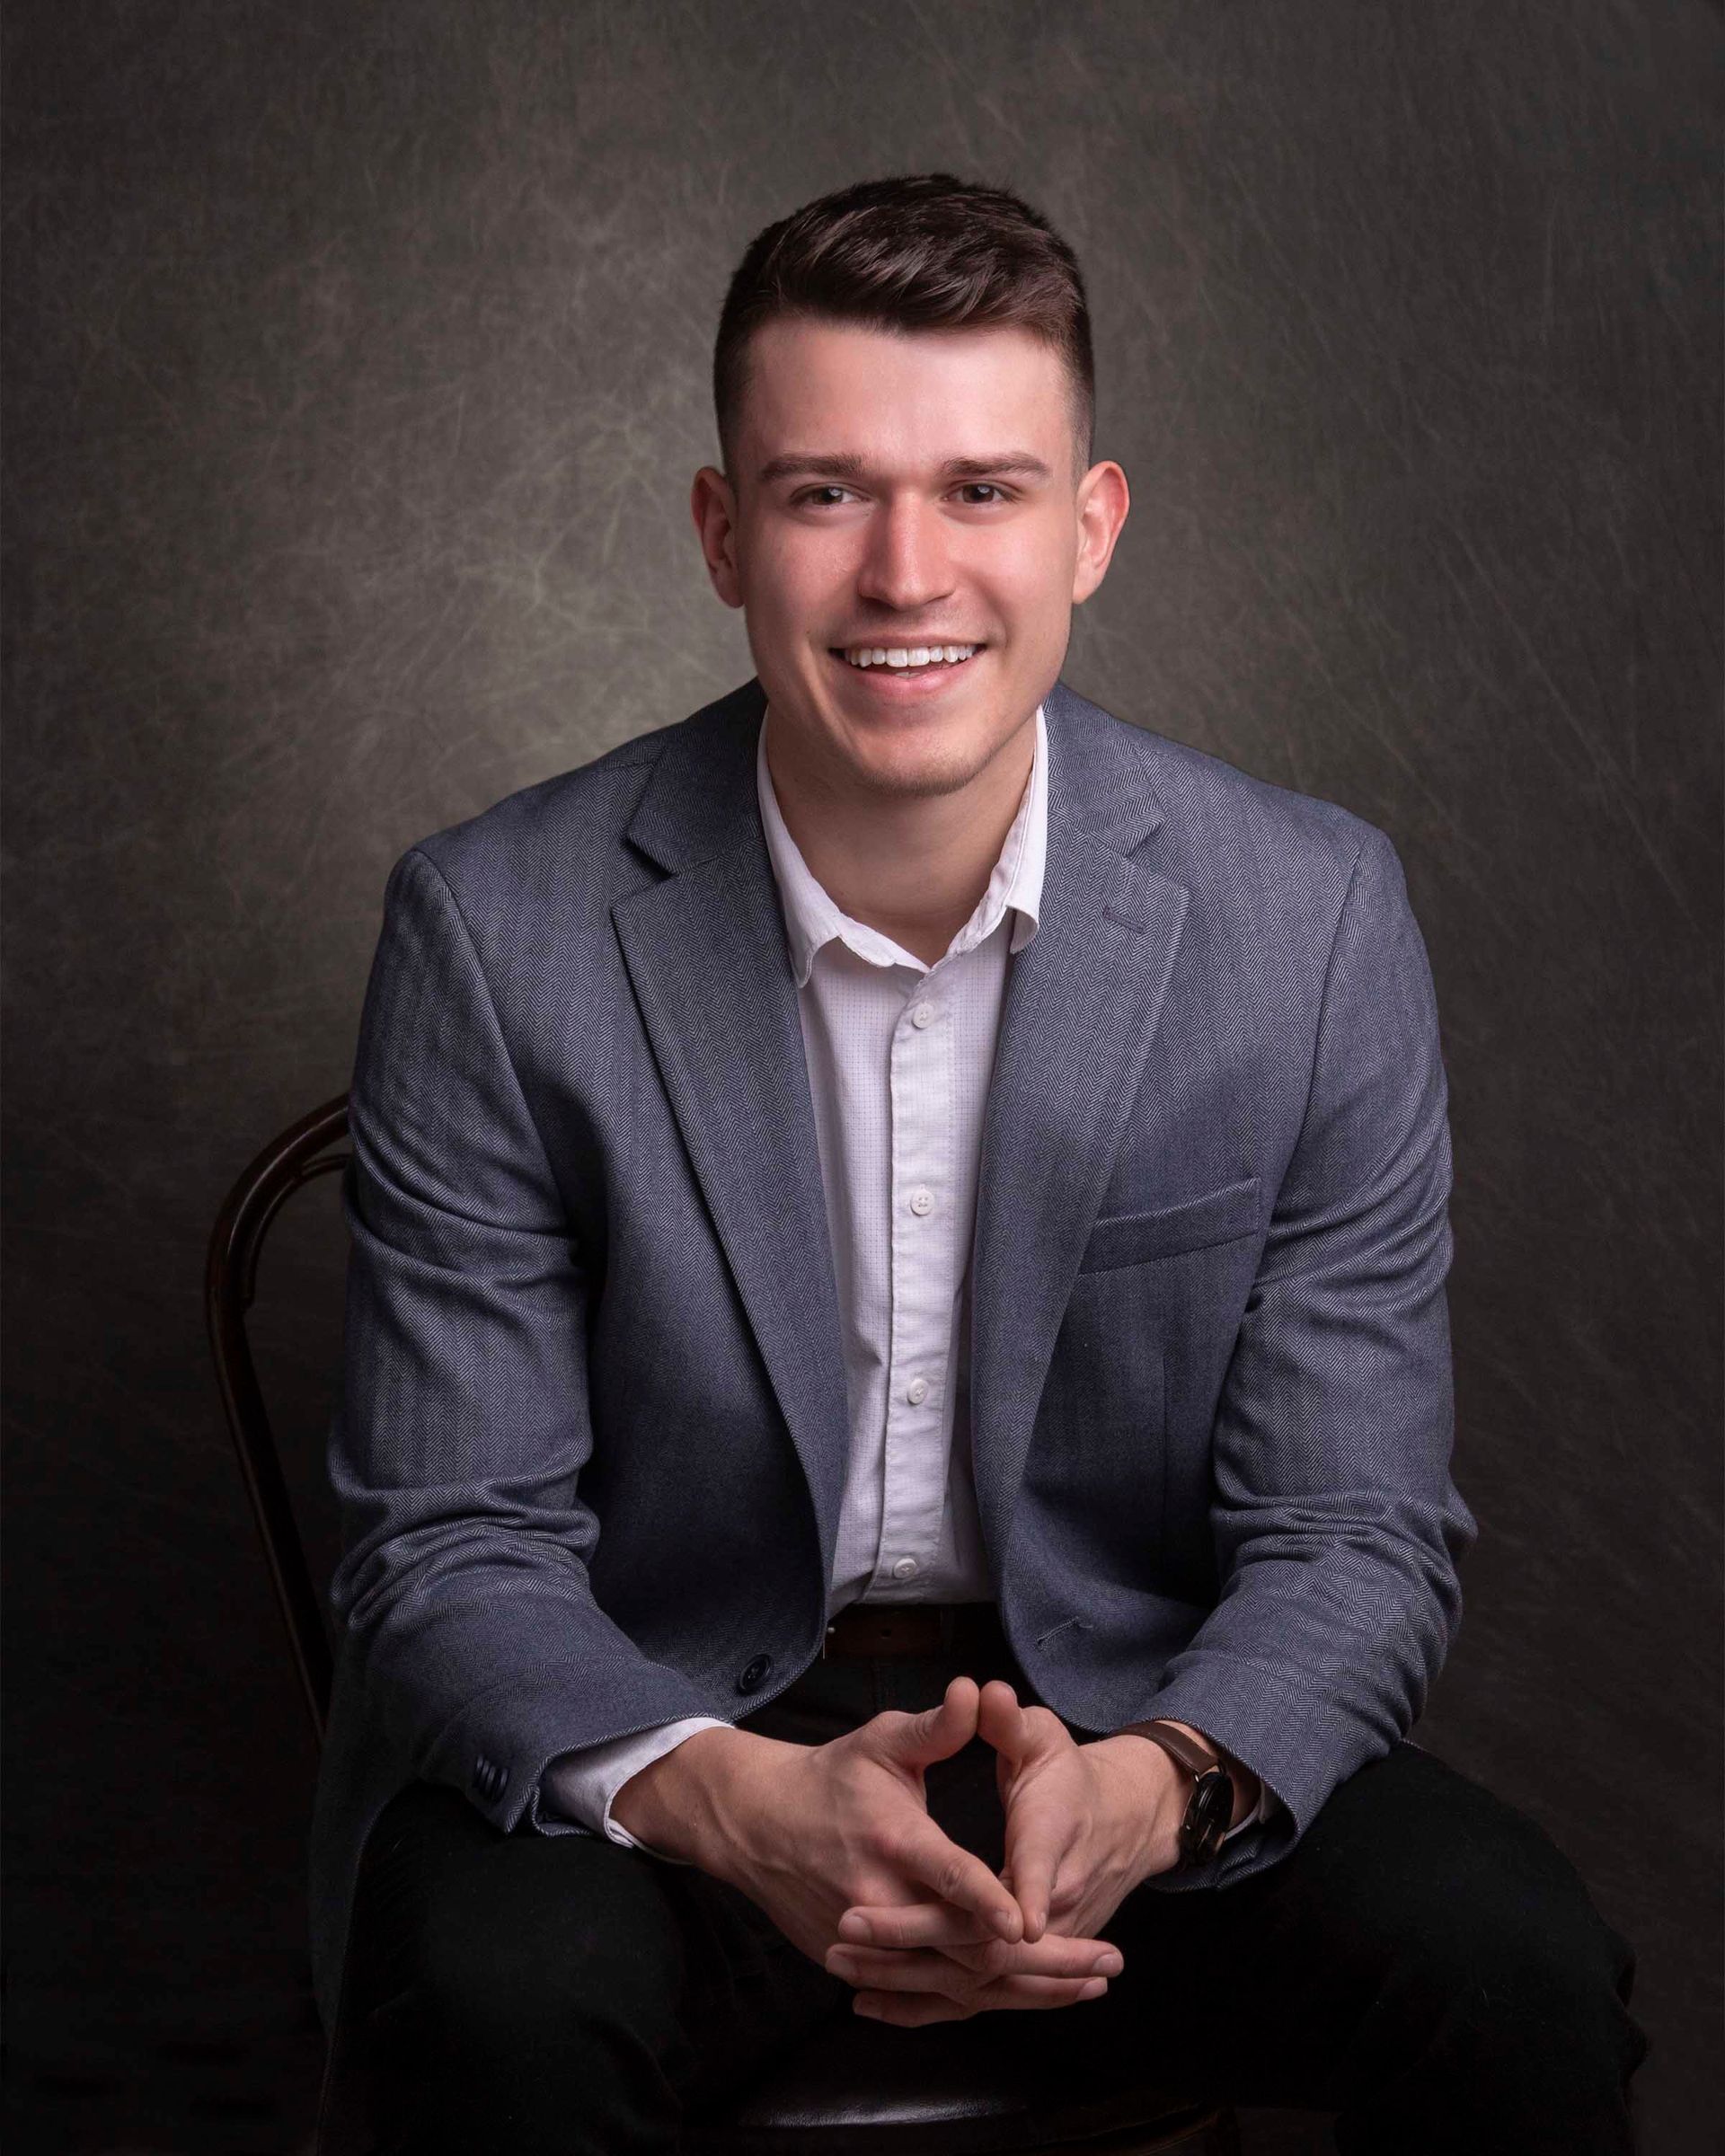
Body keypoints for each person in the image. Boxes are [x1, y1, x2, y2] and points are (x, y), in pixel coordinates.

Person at [308, 173, 1646, 2153]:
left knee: (1514, 1967)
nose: (906, 571)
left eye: (986, 491)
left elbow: (1354, 1531)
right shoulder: (496, 929)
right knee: (485, 2009)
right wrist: (727, 1797)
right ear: (720, 532)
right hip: (674, 1744)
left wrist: (1165, 1781)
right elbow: (446, 1535)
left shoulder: (1312, 920)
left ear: (1090, 528)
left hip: (1125, 1734)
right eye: (827, 491)